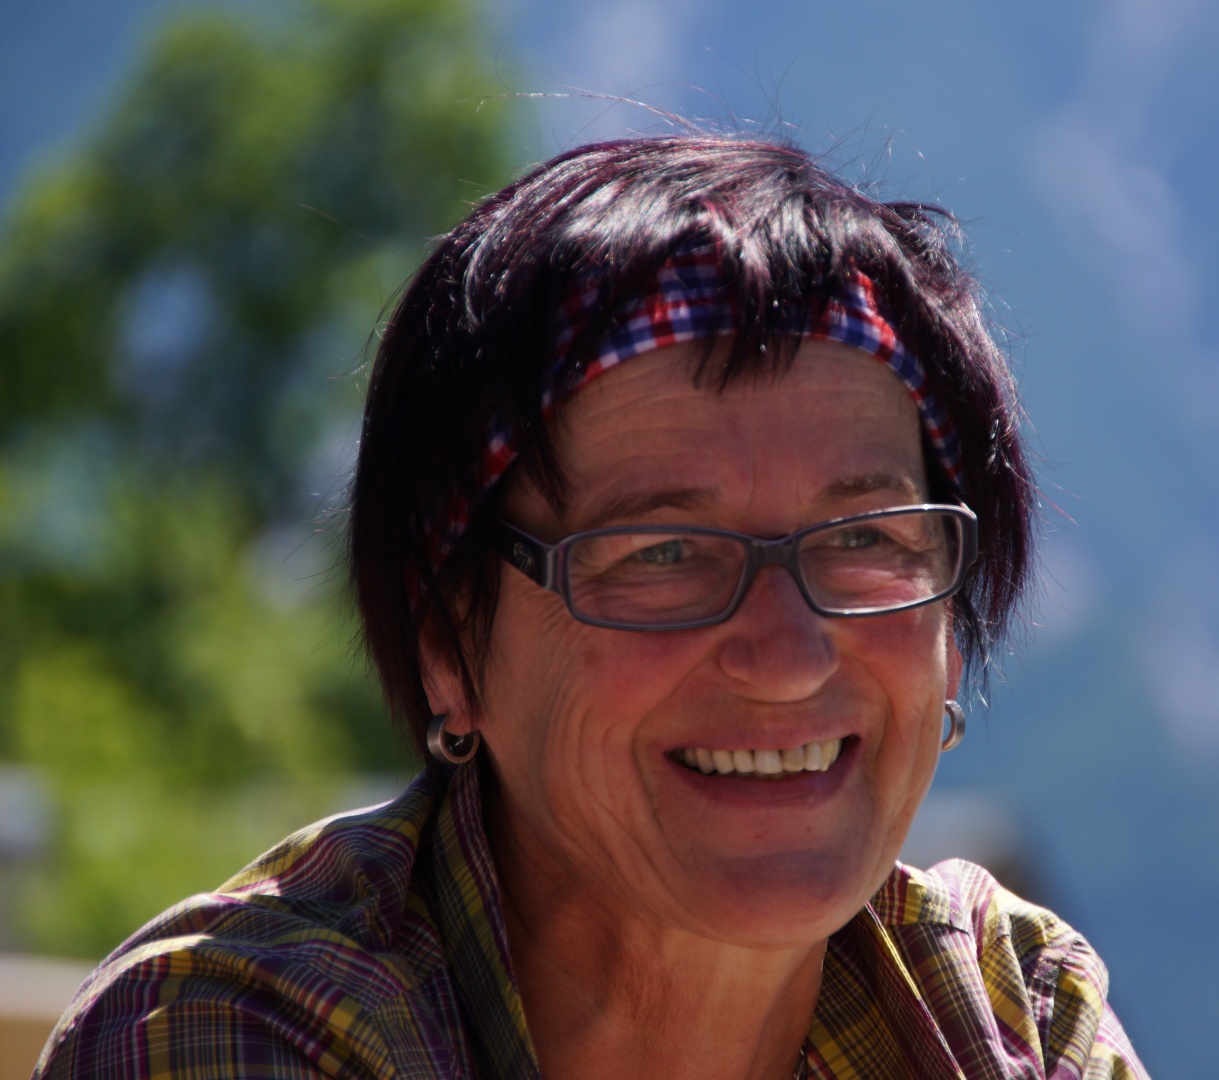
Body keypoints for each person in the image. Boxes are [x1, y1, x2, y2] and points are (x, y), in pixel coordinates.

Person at [38, 136, 1149, 1080]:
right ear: (450, 644)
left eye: (865, 540)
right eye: (663, 554)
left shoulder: (1007, 1012)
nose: (788, 656)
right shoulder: (239, 1035)